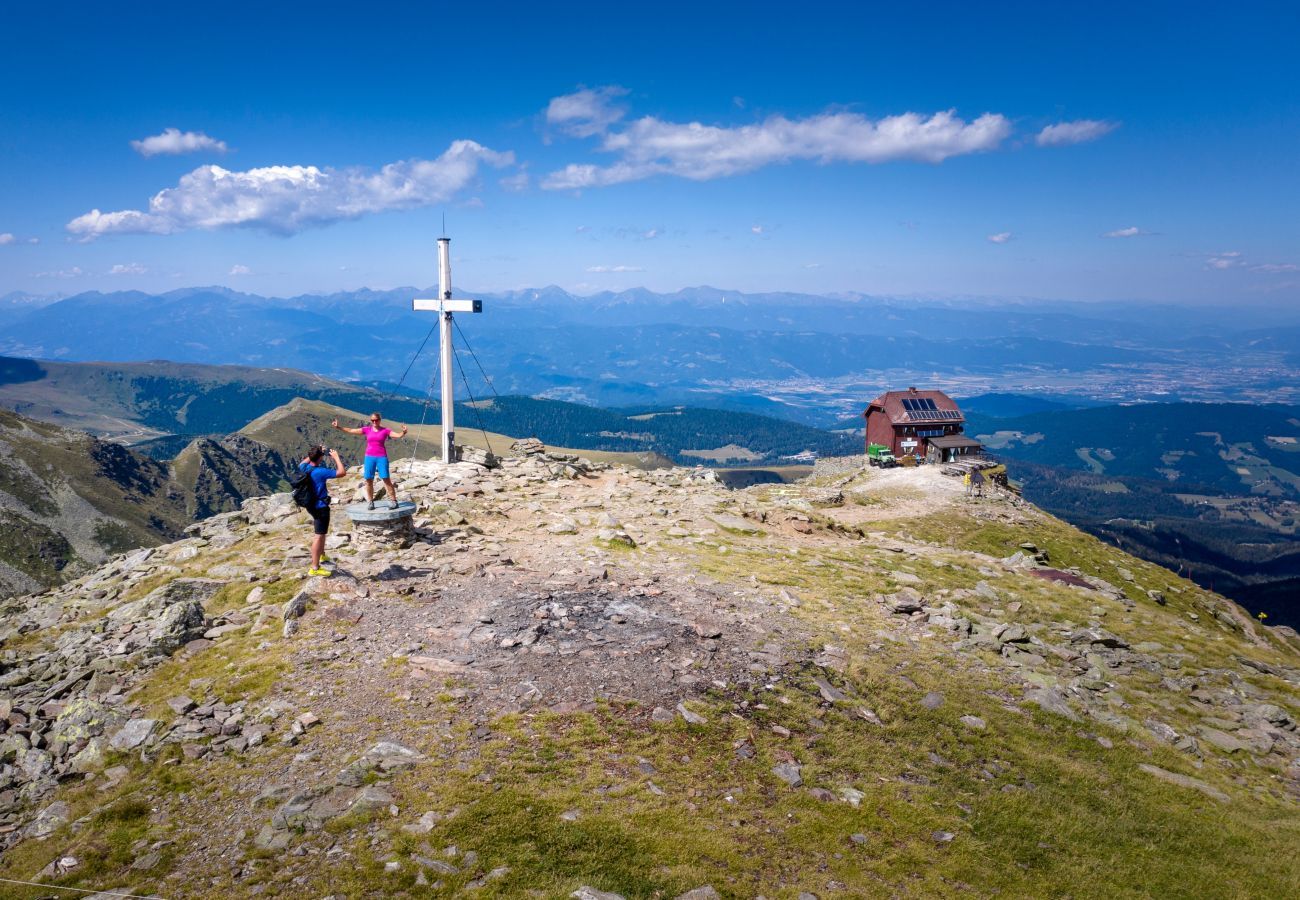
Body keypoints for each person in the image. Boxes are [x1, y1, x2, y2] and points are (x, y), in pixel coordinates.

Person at [332, 412, 408, 509]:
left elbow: (397, 435)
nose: (374, 422)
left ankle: (394, 500)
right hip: (369, 457)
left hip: (381, 457)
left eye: (376, 420)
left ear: (380, 420)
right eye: (372, 420)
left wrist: (404, 432)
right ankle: (370, 502)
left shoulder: (385, 430)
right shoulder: (367, 430)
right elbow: (351, 430)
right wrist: (338, 427)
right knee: (368, 480)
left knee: (386, 479)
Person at [299, 445, 346, 577]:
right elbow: (342, 472)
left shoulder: (305, 468)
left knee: (322, 532)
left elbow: (303, 462)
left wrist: (317, 452)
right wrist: (336, 458)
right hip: (320, 507)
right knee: (319, 535)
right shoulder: (320, 472)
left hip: (311, 505)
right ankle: (314, 567)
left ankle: (322, 555)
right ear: (320, 458)